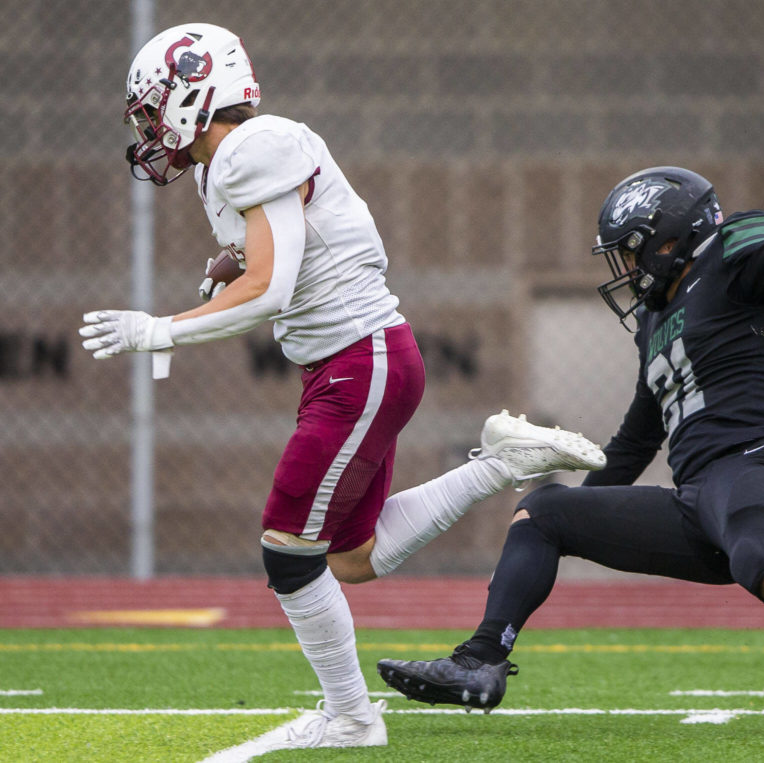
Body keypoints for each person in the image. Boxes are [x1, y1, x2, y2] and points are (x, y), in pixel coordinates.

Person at [78, 23, 605, 754]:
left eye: (151, 107)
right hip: (355, 362)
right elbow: (285, 247)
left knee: (287, 550)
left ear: (194, 93)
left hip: (360, 362)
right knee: (349, 556)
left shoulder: (250, 149)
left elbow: (272, 286)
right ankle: (502, 464)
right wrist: (233, 258)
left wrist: (160, 329)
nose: (147, 126)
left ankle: (350, 716)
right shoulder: (226, 163)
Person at [378, 151, 764, 742]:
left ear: (669, 239)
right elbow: (638, 437)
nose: (625, 265)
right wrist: (582, 519)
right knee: (544, 513)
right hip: (698, 501)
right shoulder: (657, 319)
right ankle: (481, 660)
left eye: (630, 248)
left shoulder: (733, 254)